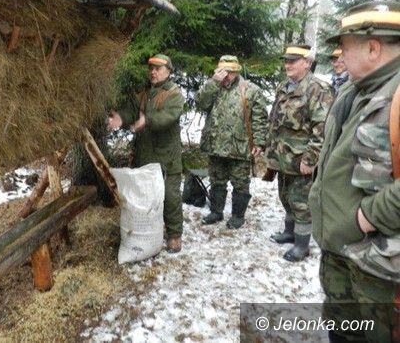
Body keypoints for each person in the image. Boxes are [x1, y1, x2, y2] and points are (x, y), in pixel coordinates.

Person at [309, 1, 400, 342]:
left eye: (345, 47)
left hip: (381, 271)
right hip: (341, 257)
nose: (340, 55)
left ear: (373, 48)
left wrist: (369, 215)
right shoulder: (354, 90)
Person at [106, 54, 185, 253]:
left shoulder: (174, 94)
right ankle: (148, 233)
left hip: (167, 157)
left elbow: (167, 117)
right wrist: (121, 118)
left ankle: (174, 235)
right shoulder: (144, 92)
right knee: (145, 198)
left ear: (168, 71)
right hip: (145, 155)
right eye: (151, 68)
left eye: (158, 69)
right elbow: (132, 110)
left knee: (170, 196)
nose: (153, 72)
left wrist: (146, 120)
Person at [265, 44, 334, 262]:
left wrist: (310, 158)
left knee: (301, 203)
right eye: (286, 61)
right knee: (286, 196)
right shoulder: (284, 86)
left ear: (307, 62)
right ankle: (289, 232)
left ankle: (302, 246)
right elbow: (274, 120)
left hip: (301, 158)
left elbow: (322, 128)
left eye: (293, 61)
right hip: (282, 156)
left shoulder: (318, 89)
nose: (288, 65)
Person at [195, 55, 268, 229]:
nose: (226, 76)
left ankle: (238, 216)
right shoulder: (213, 87)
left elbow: (259, 118)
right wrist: (213, 82)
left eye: (230, 72)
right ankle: (216, 212)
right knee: (217, 180)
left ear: (237, 72)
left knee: (240, 183)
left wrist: (259, 142)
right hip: (215, 145)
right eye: (222, 71)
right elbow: (200, 103)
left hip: (239, 146)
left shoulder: (251, 90)